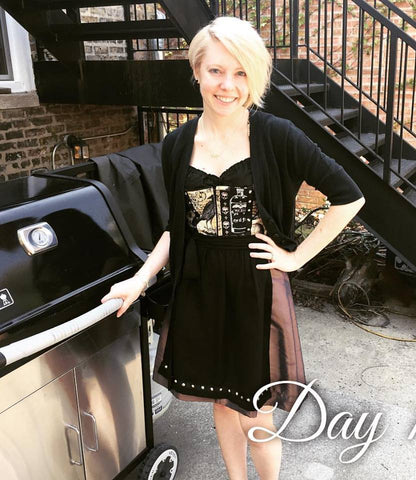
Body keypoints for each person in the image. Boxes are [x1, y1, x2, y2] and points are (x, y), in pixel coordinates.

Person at [102, 16, 366, 480]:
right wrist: (138, 281)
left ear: (255, 77)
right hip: (201, 286)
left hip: (256, 286)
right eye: (217, 71)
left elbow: (349, 196)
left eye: (241, 72)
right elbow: (178, 227)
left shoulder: (275, 135)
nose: (228, 85)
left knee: (256, 412)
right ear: (197, 72)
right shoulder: (177, 144)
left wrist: (296, 257)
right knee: (219, 402)